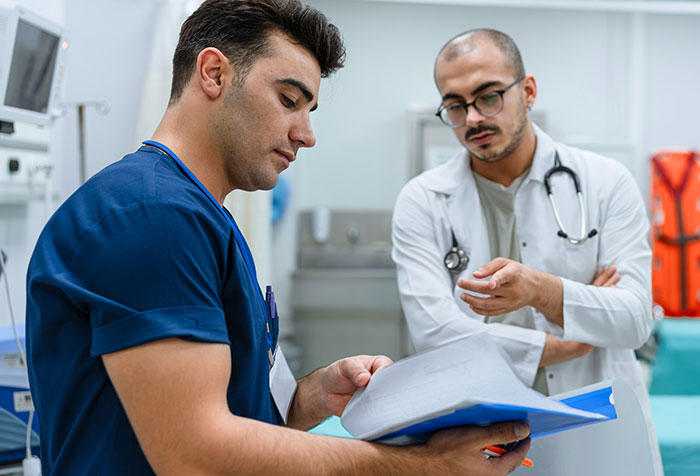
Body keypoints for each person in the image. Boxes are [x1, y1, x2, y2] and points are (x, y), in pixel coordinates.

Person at [26, 3, 531, 475]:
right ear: (213, 73)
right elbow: (193, 453)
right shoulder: (151, 214)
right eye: (289, 100)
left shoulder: (200, 215)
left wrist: (307, 400)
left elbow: (228, 411)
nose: (306, 133)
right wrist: (426, 465)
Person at [391, 28, 663, 475]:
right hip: (481, 436)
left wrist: (541, 290)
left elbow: (634, 319)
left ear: (528, 91)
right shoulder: (422, 200)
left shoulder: (606, 183)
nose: (473, 118)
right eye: (455, 106)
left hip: (596, 438)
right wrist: (562, 343)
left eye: (489, 96)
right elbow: (435, 334)